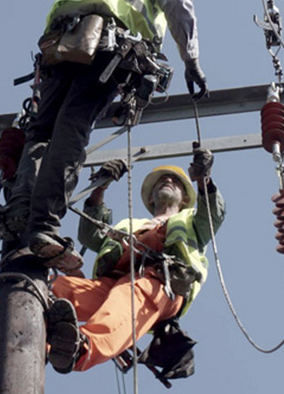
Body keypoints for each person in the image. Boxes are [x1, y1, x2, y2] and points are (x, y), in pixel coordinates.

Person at [4, 0, 209, 271]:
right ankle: (44, 226)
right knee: (73, 126)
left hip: (61, 40)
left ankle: (19, 210)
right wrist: (191, 59)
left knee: (41, 132)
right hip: (105, 41)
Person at [44, 148, 225, 374]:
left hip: (162, 282)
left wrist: (203, 179)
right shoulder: (129, 224)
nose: (167, 181)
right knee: (59, 289)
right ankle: (29, 323)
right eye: (161, 181)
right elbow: (90, 236)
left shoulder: (191, 221)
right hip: (112, 282)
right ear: (151, 197)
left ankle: (82, 348)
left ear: (186, 198)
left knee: (127, 297)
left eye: (175, 181)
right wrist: (101, 187)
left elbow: (212, 216)